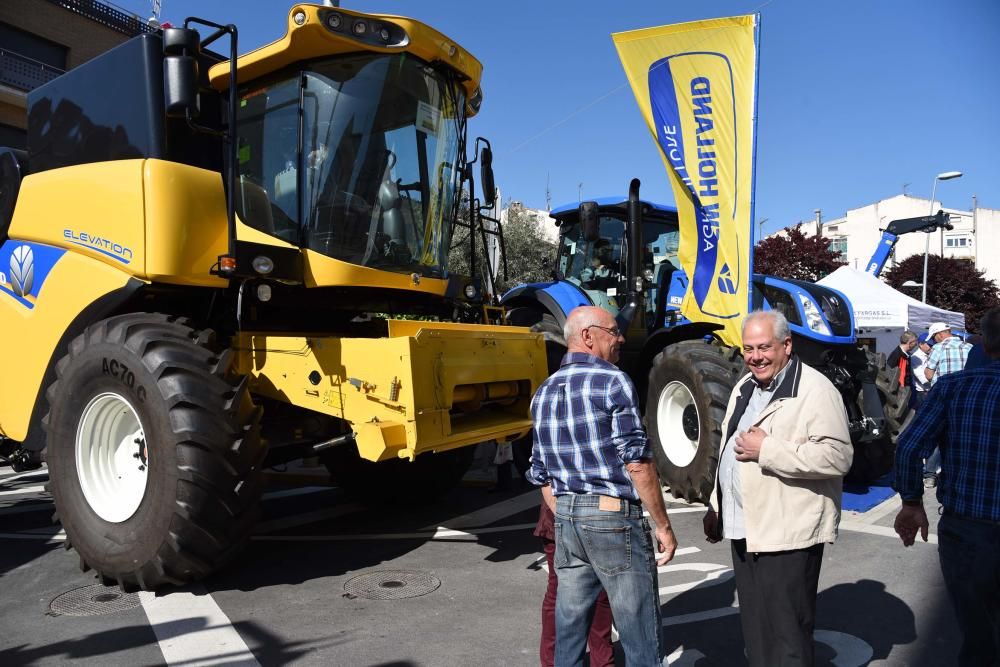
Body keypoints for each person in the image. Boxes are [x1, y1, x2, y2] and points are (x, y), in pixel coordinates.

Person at [526, 305, 676, 666]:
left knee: (570, 629)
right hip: (611, 515)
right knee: (639, 627)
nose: (621, 337)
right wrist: (663, 526)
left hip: (567, 519)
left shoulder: (543, 392)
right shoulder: (612, 379)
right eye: (613, 331)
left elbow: (540, 472)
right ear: (588, 336)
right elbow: (637, 461)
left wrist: (567, 510)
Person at [703, 310, 852, 667]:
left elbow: (837, 456)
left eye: (764, 347)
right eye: (748, 348)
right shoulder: (745, 385)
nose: (755, 357)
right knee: (756, 633)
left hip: (787, 535)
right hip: (746, 528)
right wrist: (716, 504)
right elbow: (726, 446)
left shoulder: (816, 390)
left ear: (787, 345)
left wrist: (767, 450)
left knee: (787, 637)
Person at [892, 305, 1000, 667]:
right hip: (969, 530)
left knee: (978, 633)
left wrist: (911, 503)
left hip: (967, 531)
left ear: (984, 344)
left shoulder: (953, 388)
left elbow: (908, 447)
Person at [534, 501, 614, 667]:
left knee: (597, 592)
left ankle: (600, 660)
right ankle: (555, 660)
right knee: (561, 591)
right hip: (571, 515)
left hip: (569, 515)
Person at [921, 322, 972, 487]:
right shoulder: (969, 347)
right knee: (960, 437)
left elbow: (928, 375)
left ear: (939, 335)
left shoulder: (938, 349)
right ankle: (953, 474)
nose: (934, 341)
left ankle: (929, 475)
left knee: (937, 436)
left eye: (934, 337)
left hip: (943, 399)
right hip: (965, 399)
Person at [908, 332, 933, 409]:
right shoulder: (915, 358)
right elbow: (923, 379)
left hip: (929, 392)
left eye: (932, 345)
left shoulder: (930, 354)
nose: (932, 347)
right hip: (922, 393)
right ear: (920, 344)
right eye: (929, 345)